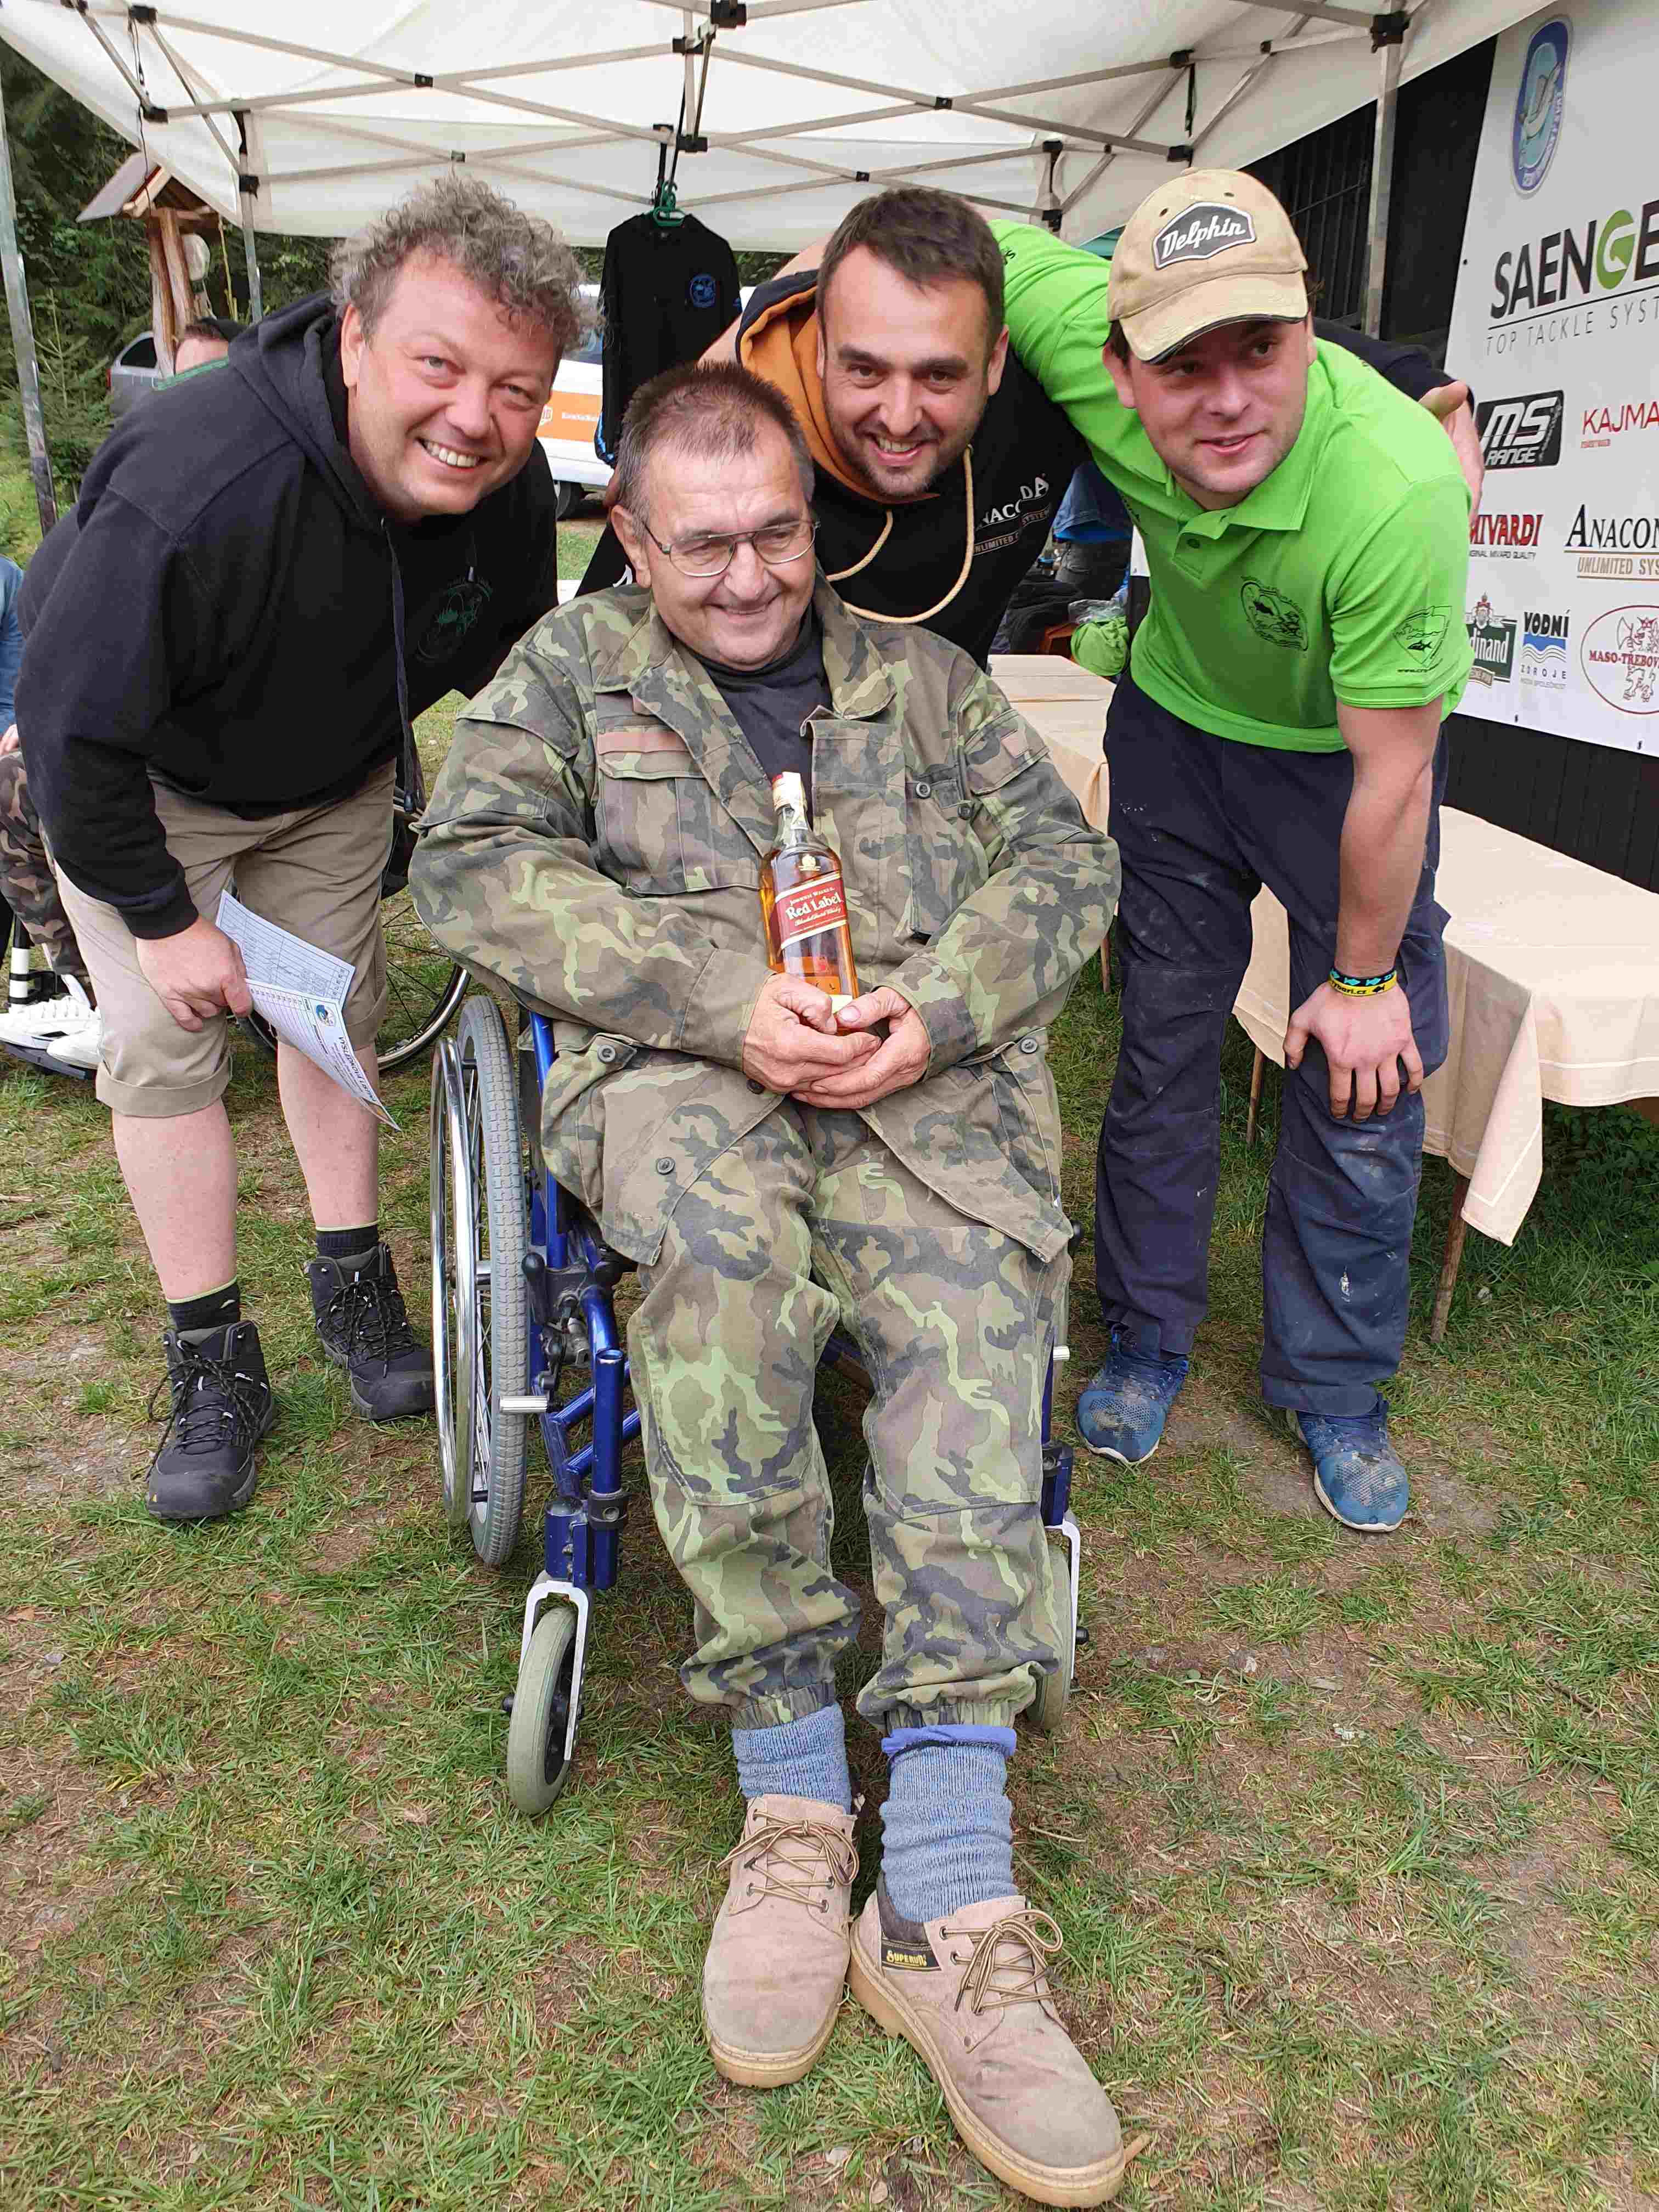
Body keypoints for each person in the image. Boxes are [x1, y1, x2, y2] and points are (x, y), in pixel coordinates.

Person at [411, 362, 1128, 2209]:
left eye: (777, 536)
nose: (746, 578)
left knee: (975, 1298)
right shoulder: (568, 679)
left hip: (910, 1078)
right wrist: (718, 1000)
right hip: (686, 1079)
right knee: (719, 1283)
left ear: (818, 524)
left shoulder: (928, 681)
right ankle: (796, 1799)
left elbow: (1066, 863)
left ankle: (947, 1883)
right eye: (702, 544)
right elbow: (469, 869)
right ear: (630, 536)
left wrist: (938, 1009)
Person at [16, 172, 583, 1524]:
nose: (476, 419)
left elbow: (514, 664)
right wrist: (165, 922)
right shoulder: (197, 479)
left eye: (516, 390)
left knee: (334, 1017)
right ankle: (212, 1356)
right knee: (165, 1049)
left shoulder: (506, 487)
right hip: (142, 781)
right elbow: (68, 727)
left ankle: (354, 1280)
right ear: (355, 338)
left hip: (332, 779)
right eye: (440, 366)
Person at [986, 171, 1474, 1533]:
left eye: (1260, 349)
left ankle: (1335, 1388)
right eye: (1183, 365)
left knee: (1363, 1074)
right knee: (1164, 1039)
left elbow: (1396, 774)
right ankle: (1146, 1338)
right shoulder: (1077, 334)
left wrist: (1363, 984)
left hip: (1342, 768)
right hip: (1176, 736)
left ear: (1311, 333)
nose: (1228, 400)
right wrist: (744, 339)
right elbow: (948, 236)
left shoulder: (1398, 488)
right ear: (1118, 372)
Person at [578, 188, 1481, 665]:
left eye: (940, 374)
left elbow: (1219, 336)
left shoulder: (1059, 365)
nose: (900, 416)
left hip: (938, 745)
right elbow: (606, 639)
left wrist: (1417, 386)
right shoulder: (735, 430)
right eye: (865, 371)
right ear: (817, 351)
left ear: (996, 357)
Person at [0, 321, 242, 1074]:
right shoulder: (132, 488)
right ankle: (95, 987)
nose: (197, 397)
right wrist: (35, 714)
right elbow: (59, 636)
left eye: (216, 378)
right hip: (134, 740)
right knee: (19, 782)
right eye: (181, 381)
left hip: (223, 759)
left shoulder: (263, 498)